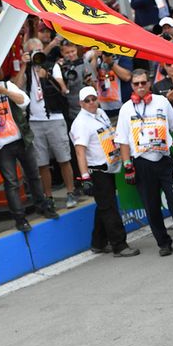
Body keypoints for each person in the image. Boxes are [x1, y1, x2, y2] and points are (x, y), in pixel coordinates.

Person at [0, 64, 59, 232]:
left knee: (34, 175)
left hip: (21, 140)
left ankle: (43, 206)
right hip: (1, 147)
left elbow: (25, 102)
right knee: (11, 183)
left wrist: (5, 91)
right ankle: (19, 218)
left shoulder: (7, 86)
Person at [115, 69, 173, 256]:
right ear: (132, 86)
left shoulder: (161, 101)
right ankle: (163, 243)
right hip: (142, 162)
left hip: (165, 159)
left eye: (143, 83)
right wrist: (128, 166)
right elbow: (122, 140)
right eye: (136, 84)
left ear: (149, 83)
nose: (141, 87)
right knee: (151, 205)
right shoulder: (126, 109)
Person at [69, 86, 140, 257]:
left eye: (94, 98)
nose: (92, 102)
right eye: (87, 100)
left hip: (109, 167)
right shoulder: (81, 123)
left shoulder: (100, 113)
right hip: (97, 170)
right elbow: (80, 151)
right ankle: (119, 245)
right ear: (81, 103)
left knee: (104, 205)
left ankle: (98, 242)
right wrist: (85, 177)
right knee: (109, 208)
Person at [13, 38, 77, 210]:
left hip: (55, 118)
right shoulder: (26, 70)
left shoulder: (51, 66)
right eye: (33, 51)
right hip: (35, 121)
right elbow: (17, 88)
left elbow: (63, 90)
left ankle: (71, 192)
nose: (37, 53)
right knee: (42, 163)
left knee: (64, 158)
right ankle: (48, 197)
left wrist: (47, 77)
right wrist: (24, 66)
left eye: (40, 49)